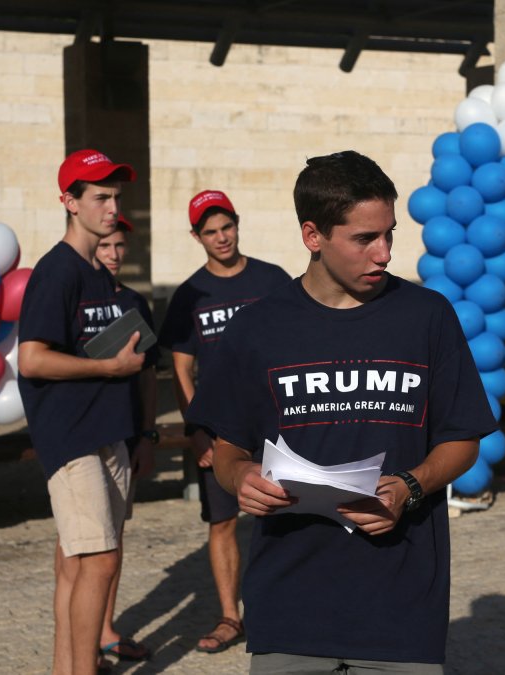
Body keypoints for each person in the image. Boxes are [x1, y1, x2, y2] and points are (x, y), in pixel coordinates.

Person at [186, 150, 497, 673]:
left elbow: (463, 439)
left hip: (402, 608)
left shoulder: (427, 316)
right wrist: (240, 476)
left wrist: (411, 486)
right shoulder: (256, 328)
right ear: (313, 236)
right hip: (288, 607)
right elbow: (227, 448)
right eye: (364, 239)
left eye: (389, 234)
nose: (384, 253)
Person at [17, 149, 148, 675]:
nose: (112, 207)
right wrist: (109, 369)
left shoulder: (99, 273)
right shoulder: (57, 271)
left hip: (108, 432)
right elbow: (31, 359)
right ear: (69, 202)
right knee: (100, 559)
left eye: (116, 197)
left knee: (78, 561)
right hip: (70, 436)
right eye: (100, 197)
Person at [157, 190, 290, 653]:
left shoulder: (272, 279)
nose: (221, 237)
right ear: (196, 237)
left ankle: (285, 610)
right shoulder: (190, 295)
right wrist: (197, 429)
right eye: (210, 231)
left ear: (237, 224)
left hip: (276, 422)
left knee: (287, 513)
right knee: (223, 522)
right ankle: (231, 617)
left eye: (226, 227)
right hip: (221, 431)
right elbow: (180, 369)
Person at [92, 215, 157, 662]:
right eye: (105, 246)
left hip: (126, 434)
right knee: (82, 545)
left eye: (119, 246)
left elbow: (149, 374)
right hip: (82, 436)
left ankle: (104, 630)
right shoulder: (76, 299)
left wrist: (148, 434)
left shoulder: (134, 302)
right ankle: (80, 643)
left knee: (113, 536)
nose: (114, 254)